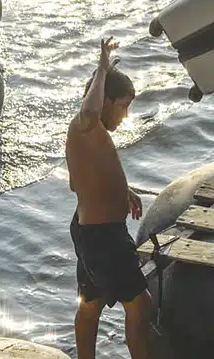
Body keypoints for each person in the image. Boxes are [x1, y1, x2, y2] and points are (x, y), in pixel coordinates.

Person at [65, 38, 152, 359]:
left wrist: (122, 192)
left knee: (91, 302)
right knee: (140, 305)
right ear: (104, 101)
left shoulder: (94, 133)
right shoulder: (85, 124)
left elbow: (83, 179)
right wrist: (102, 69)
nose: (126, 115)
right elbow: (89, 109)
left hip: (94, 232)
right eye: (123, 106)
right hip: (103, 238)